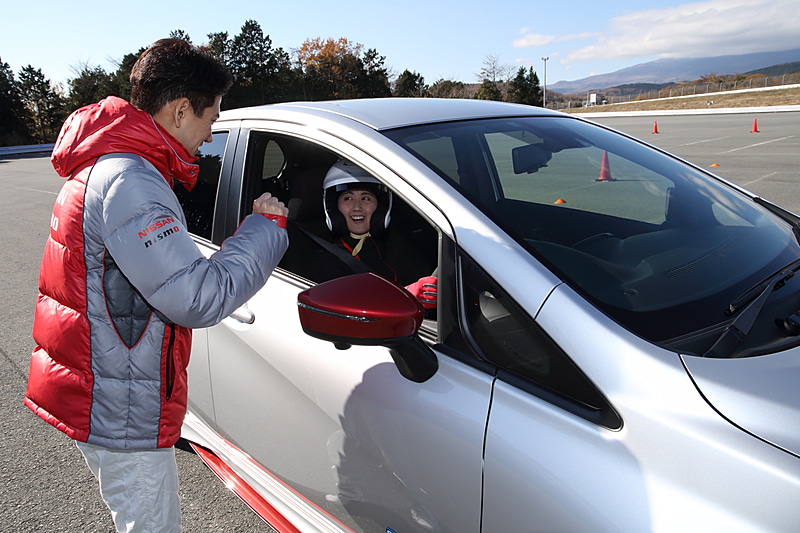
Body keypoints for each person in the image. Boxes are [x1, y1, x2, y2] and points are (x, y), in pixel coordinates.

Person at [23, 38, 289, 533]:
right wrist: (264, 232)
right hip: (121, 408)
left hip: (109, 390)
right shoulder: (131, 181)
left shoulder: (114, 168)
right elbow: (196, 297)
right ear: (180, 108)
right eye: (210, 119)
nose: (210, 136)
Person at [320, 159, 437, 309]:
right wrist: (407, 295)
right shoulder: (328, 260)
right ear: (334, 208)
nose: (357, 207)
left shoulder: (396, 243)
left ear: (380, 206)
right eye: (347, 198)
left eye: (366, 198)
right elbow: (345, 307)